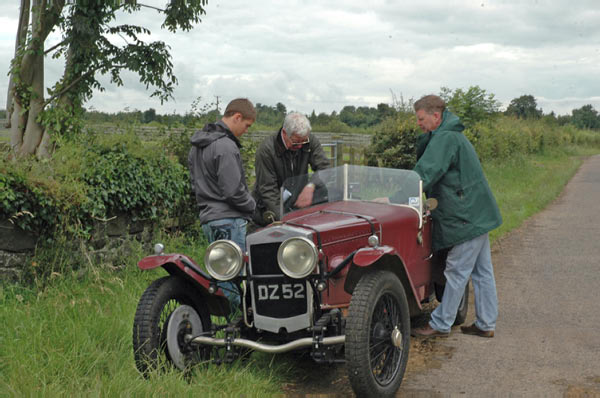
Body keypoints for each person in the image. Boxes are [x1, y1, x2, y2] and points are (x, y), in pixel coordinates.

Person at [410, 95, 502, 338]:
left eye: (421, 119)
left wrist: (397, 194)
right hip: (478, 213)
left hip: (466, 216)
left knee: (456, 270)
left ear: (435, 116)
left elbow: (426, 171)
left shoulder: (445, 137)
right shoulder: (450, 134)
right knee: (482, 272)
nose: (418, 123)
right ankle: (486, 323)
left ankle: (440, 324)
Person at [188, 98, 256, 309]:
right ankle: (237, 328)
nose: (246, 131)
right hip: (229, 220)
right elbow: (233, 191)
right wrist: (254, 207)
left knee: (219, 276)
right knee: (234, 282)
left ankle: (221, 327)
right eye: (247, 125)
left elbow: (194, 184)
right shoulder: (225, 146)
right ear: (237, 117)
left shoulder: (198, 146)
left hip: (208, 219)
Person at [252, 112, 330, 225]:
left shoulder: (309, 141)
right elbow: (268, 190)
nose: (300, 146)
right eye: (295, 142)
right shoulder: (266, 151)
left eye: (303, 142)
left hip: (295, 207)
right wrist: (285, 221)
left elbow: (325, 167)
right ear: (284, 133)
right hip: (269, 211)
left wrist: (311, 186)